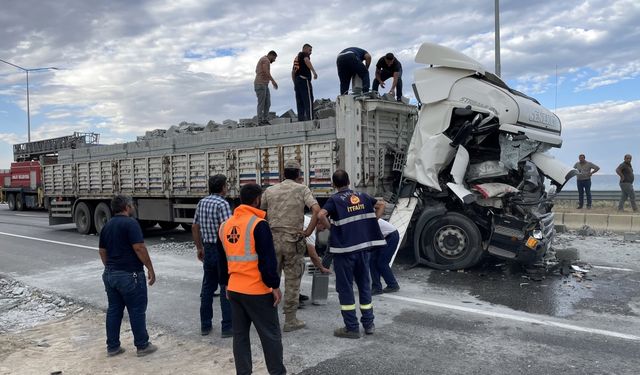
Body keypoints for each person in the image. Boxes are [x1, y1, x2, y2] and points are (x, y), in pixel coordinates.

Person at [217, 183, 286, 375]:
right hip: (257, 291)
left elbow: (221, 261)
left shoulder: (225, 226)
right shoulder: (258, 224)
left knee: (239, 337)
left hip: (235, 290)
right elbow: (267, 260)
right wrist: (274, 285)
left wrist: (225, 285)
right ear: (257, 200)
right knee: (270, 336)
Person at [317, 170, 386, 339]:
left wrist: (330, 228)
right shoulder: (362, 195)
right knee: (364, 285)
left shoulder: (334, 200)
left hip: (344, 252)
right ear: (348, 181)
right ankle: (369, 324)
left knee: (346, 288)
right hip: (363, 250)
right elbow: (382, 205)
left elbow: (320, 214)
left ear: (334, 184)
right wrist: (372, 221)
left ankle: (352, 328)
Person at [261, 159, 320, 332]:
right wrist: (308, 231)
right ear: (299, 175)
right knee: (293, 281)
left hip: (273, 240)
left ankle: (268, 319)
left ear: (283, 174)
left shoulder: (270, 190)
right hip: (293, 240)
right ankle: (290, 320)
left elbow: (260, 212)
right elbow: (316, 210)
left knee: (271, 279)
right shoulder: (302, 189)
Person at [99, 195, 157, 357]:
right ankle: (142, 345)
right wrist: (150, 268)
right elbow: (139, 248)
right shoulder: (131, 224)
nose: (132, 207)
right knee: (137, 310)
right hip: (130, 275)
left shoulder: (107, 225)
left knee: (114, 310)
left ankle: (113, 347)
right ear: (127, 207)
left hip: (110, 274)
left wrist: (111, 268)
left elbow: (102, 251)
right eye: (131, 205)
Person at [192, 174, 233, 337]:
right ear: (222, 187)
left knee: (208, 287)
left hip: (208, 248)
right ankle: (227, 326)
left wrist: (199, 247)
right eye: (226, 185)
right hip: (221, 249)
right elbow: (228, 229)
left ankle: (205, 325)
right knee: (225, 286)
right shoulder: (223, 204)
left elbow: (195, 226)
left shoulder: (202, 202)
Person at [370, 219, 400, 295]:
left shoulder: (361, 222)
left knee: (382, 263)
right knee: (372, 261)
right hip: (382, 237)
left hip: (390, 236)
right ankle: (376, 288)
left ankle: (393, 285)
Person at [292, 43, 318, 122]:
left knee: (299, 102)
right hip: (304, 80)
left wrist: (295, 83)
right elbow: (306, 60)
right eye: (310, 50)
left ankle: (301, 120)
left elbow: (293, 71)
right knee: (308, 100)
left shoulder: (297, 58)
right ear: (305, 49)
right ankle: (310, 119)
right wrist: (314, 72)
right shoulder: (304, 54)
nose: (310, 52)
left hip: (297, 81)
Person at [254, 51, 279, 126]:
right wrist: (273, 81)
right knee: (261, 103)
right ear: (271, 55)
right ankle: (260, 121)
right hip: (260, 84)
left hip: (264, 84)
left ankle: (265, 120)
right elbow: (266, 71)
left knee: (267, 103)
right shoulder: (266, 60)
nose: (274, 60)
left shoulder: (264, 59)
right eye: (274, 58)